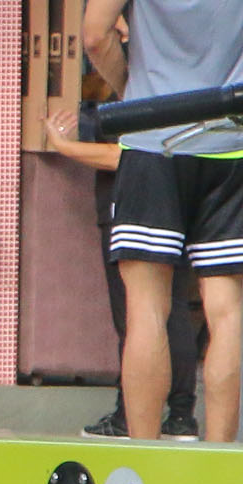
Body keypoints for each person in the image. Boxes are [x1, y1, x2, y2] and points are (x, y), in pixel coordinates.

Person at [83, 0, 243, 443]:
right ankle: (221, 458)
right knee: (226, 308)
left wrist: (132, 91)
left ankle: (145, 460)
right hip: (236, 141)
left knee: (148, 305)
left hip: (153, 143)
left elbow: (97, 33)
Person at [46, 103, 203, 439]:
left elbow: (122, 156)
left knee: (139, 316)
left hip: (134, 208)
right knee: (171, 309)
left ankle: (131, 417)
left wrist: (63, 145)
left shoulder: (143, 91)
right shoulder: (175, 95)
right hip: (176, 199)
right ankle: (179, 415)